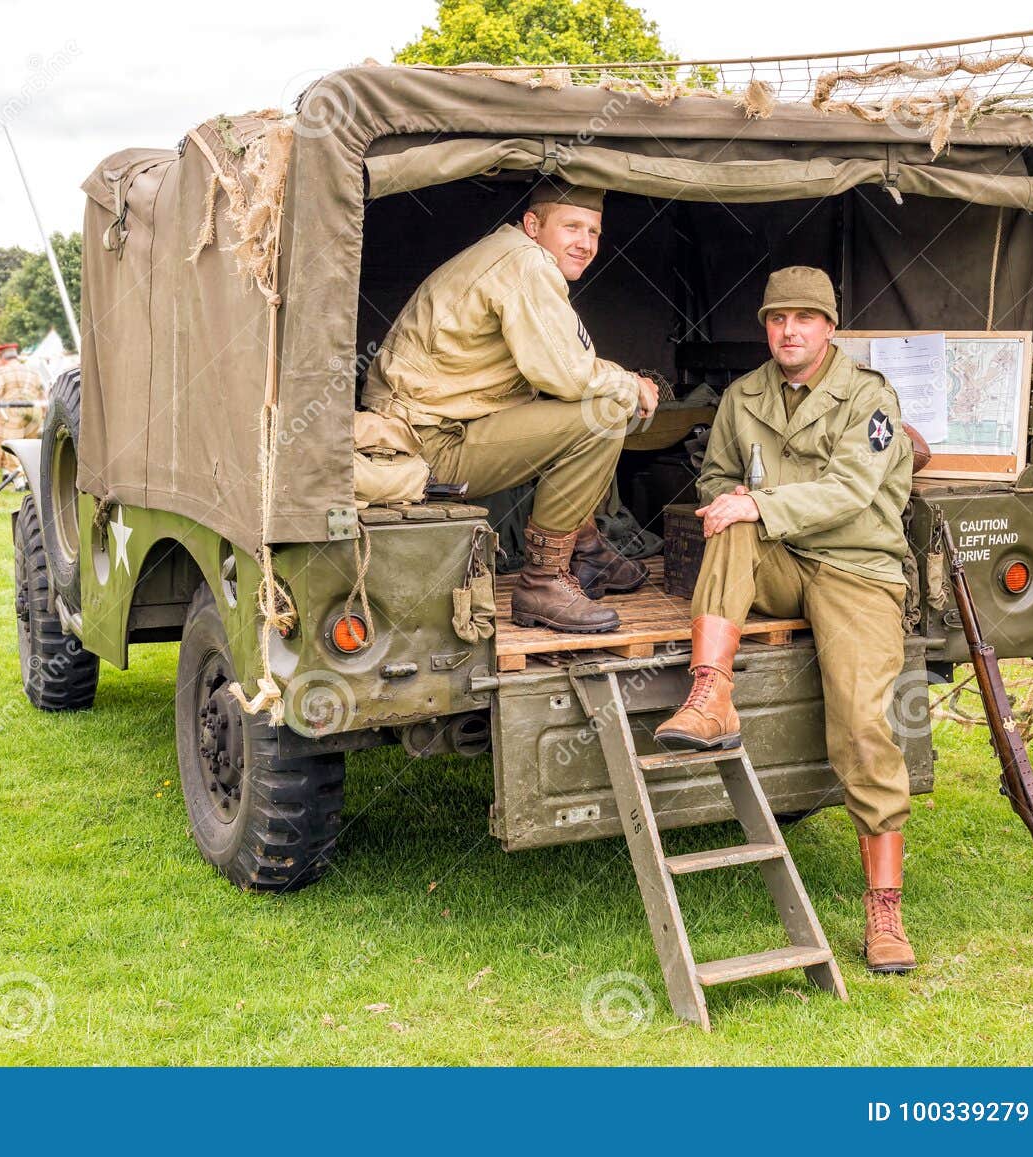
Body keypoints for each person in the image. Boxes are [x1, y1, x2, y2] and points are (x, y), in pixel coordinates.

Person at [654, 266, 918, 974]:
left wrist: (760, 504)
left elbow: (854, 488)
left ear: (829, 327)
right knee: (725, 522)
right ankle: (709, 692)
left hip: (856, 568)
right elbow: (713, 478)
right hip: (778, 558)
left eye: (805, 318)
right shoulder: (744, 397)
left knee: (863, 722)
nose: (790, 330)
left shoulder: (868, 397)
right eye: (777, 319)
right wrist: (733, 498)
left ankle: (884, 906)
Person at [361, 180, 659, 633]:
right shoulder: (526, 263)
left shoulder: (507, 253)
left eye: (594, 232)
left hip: (435, 429)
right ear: (533, 225)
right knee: (602, 413)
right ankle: (542, 582)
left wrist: (617, 378)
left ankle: (587, 552)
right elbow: (568, 373)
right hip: (427, 447)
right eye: (571, 227)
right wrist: (631, 384)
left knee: (577, 405)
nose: (585, 243)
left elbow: (559, 364)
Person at [0, 344, 44, 481]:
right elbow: (43, 394)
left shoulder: (1, 373)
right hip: (35, 412)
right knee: (31, 446)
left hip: (13, 412)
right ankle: (30, 478)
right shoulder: (33, 371)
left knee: (14, 446)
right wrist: (44, 413)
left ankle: (19, 480)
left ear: (3, 358)